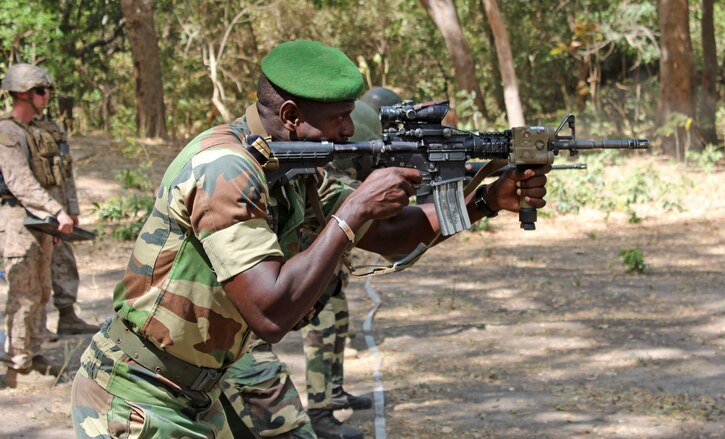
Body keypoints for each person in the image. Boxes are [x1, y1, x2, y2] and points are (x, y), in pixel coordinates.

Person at [70, 39, 550, 438]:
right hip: (139, 395)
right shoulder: (225, 169)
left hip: (200, 387)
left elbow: (387, 234)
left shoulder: (294, 165)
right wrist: (353, 208)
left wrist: (484, 201)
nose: (348, 131)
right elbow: (271, 311)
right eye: (340, 117)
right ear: (292, 113)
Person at [299, 100, 384, 439]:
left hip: (331, 275)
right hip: (313, 275)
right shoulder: (327, 180)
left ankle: (333, 392)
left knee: (338, 321)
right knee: (321, 331)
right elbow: (386, 230)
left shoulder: (337, 175)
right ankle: (319, 412)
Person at [0, 63, 76, 388]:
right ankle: (17, 364)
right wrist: (57, 211)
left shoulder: (34, 130)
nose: (47, 98)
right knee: (23, 294)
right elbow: (20, 182)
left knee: (42, 290)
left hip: (38, 221)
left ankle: (35, 352)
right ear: (26, 94)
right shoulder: (7, 133)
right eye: (43, 92)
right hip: (17, 219)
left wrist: (54, 217)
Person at [30, 114, 100, 338]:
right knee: (34, 268)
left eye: (47, 91)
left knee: (64, 260)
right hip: (33, 211)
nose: (45, 96)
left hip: (59, 210)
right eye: (39, 91)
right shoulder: (15, 129)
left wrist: (72, 207)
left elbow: (66, 171)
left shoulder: (53, 129)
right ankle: (37, 326)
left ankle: (68, 316)